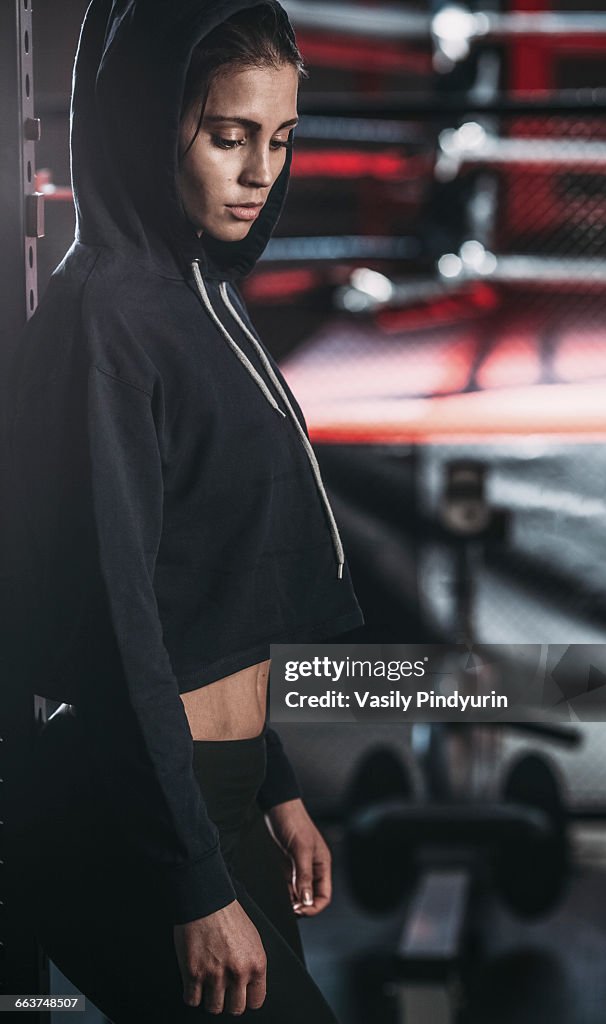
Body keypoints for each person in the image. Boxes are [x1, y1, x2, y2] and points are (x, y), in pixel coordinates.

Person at [6, 0, 364, 1020]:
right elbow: (123, 619)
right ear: (148, 123)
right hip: (134, 809)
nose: (262, 172)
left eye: (282, 140)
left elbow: (209, 597)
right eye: (229, 136)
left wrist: (273, 783)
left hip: (221, 789)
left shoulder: (202, 291)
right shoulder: (107, 318)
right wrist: (191, 881)